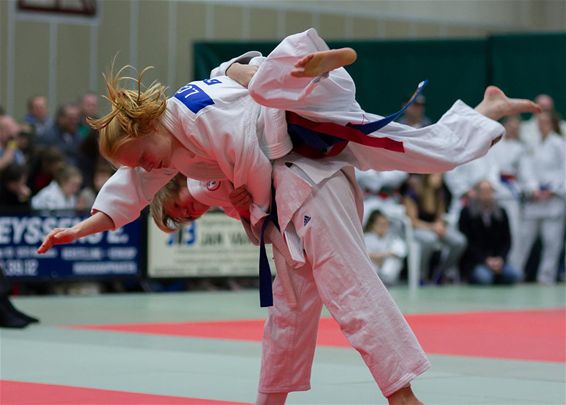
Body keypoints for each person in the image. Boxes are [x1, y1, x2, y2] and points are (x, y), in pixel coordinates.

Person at [38, 28, 540, 405]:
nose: (146, 169)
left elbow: (242, 110)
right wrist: (85, 226)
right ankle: (271, 400)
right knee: (291, 312)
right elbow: (132, 186)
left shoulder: (195, 115)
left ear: (146, 124)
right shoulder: (173, 153)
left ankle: (403, 397)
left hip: (301, 157)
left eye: (143, 156)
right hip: (289, 196)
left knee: (351, 285)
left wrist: (246, 72)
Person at [515, 111, 566, 284]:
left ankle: (546, 277)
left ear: (552, 123)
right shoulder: (531, 144)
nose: (541, 124)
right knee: (523, 239)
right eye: (539, 121)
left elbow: (564, 170)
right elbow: (525, 169)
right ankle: (515, 274)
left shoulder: (560, 143)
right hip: (534, 200)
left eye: (545, 121)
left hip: (554, 200)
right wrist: (533, 188)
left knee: (552, 243)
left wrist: (554, 189)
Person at [402, 173, 467, 282]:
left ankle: (442, 271)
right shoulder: (413, 193)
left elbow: (439, 216)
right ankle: (421, 274)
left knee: (459, 241)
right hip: (418, 229)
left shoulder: (439, 194)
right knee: (430, 240)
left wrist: (439, 225)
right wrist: (432, 227)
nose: (439, 179)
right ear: (427, 177)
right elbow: (413, 221)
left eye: (440, 177)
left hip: (434, 228)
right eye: (436, 176)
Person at [458, 180, 519, 285]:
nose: (486, 195)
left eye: (489, 191)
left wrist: (500, 259)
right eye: (483, 191)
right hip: (476, 261)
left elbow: (507, 240)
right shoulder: (467, 213)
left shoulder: (501, 212)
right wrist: (485, 260)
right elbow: (468, 243)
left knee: (515, 275)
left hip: (498, 260)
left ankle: (496, 274)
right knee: (484, 278)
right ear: (476, 193)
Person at [363, 209, 408, 286]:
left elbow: (401, 251)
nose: (384, 227)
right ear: (372, 225)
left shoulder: (391, 237)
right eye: (381, 224)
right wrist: (388, 254)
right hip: (370, 274)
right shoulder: (367, 237)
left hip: (387, 275)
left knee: (394, 261)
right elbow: (366, 254)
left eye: (386, 224)